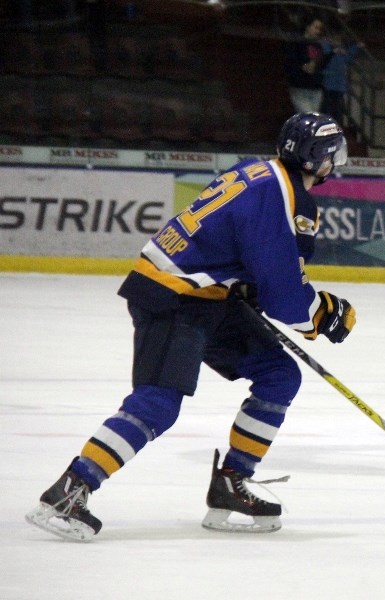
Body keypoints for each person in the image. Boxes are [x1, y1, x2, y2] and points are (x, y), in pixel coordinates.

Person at [26, 112, 356, 542]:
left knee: (279, 375)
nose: (338, 162)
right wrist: (323, 315)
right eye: (333, 154)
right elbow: (283, 294)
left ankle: (231, 485)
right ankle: (71, 490)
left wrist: (249, 285)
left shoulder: (260, 173)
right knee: (158, 402)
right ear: (315, 159)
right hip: (173, 295)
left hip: (206, 294)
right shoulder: (284, 198)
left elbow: (239, 248)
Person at [285, 16, 327, 113]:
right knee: (308, 116)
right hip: (300, 86)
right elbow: (290, 62)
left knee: (313, 118)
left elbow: (321, 63)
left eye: (319, 29)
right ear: (308, 27)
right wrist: (302, 67)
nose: (318, 31)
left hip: (315, 87)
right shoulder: (297, 43)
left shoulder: (318, 45)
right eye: (315, 27)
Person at [320, 33, 364, 124]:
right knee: (328, 109)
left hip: (339, 85)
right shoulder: (328, 49)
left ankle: (335, 128)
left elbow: (348, 56)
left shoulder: (341, 53)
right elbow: (326, 54)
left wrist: (357, 47)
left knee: (337, 110)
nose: (337, 42)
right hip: (329, 84)